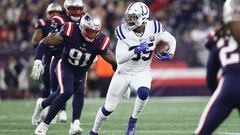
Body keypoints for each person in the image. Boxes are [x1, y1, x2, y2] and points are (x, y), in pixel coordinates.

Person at [89, 2, 176, 135]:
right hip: (123, 72)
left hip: (142, 71)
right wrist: (136, 50)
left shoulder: (154, 28)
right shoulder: (123, 31)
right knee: (108, 108)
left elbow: (171, 40)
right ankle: (94, 131)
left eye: (133, 17)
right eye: (129, 16)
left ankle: (133, 120)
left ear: (143, 18)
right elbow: (120, 58)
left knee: (143, 92)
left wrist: (171, 53)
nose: (129, 20)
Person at [32, 13, 117, 135]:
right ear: (82, 27)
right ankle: (44, 125)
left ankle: (42, 104)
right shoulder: (71, 30)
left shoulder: (101, 41)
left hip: (81, 71)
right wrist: (38, 59)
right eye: (89, 31)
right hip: (66, 66)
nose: (93, 35)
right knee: (66, 92)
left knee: (69, 93)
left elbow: (113, 62)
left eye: (95, 31)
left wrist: (121, 78)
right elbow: (44, 41)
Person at [32, 0, 85, 125]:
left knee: (79, 91)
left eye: (79, 9)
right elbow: (45, 41)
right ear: (66, 8)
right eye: (73, 8)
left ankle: (74, 122)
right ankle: (45, 106)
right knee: (58, 90)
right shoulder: (60, 20)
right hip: (60, 58)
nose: (77, 11)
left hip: (79, 60)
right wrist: (38, 58)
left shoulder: (86, 19)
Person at [195, 0, 240, 134]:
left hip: (228, 87)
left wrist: (219, 93)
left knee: (202, 132)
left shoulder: (217, 36)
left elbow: (210, 77)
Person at [32, 2, 62, 104]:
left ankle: (62, 110)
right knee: (46, 82)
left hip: (61, 55)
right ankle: (44, 105)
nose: (54, 15)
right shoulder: (43, 23)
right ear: (47, 14)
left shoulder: (65, 23)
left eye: (57, 13)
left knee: (62, 84)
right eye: (52, 13)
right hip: (48, 54)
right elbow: (35, 42)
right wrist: (42, 40)